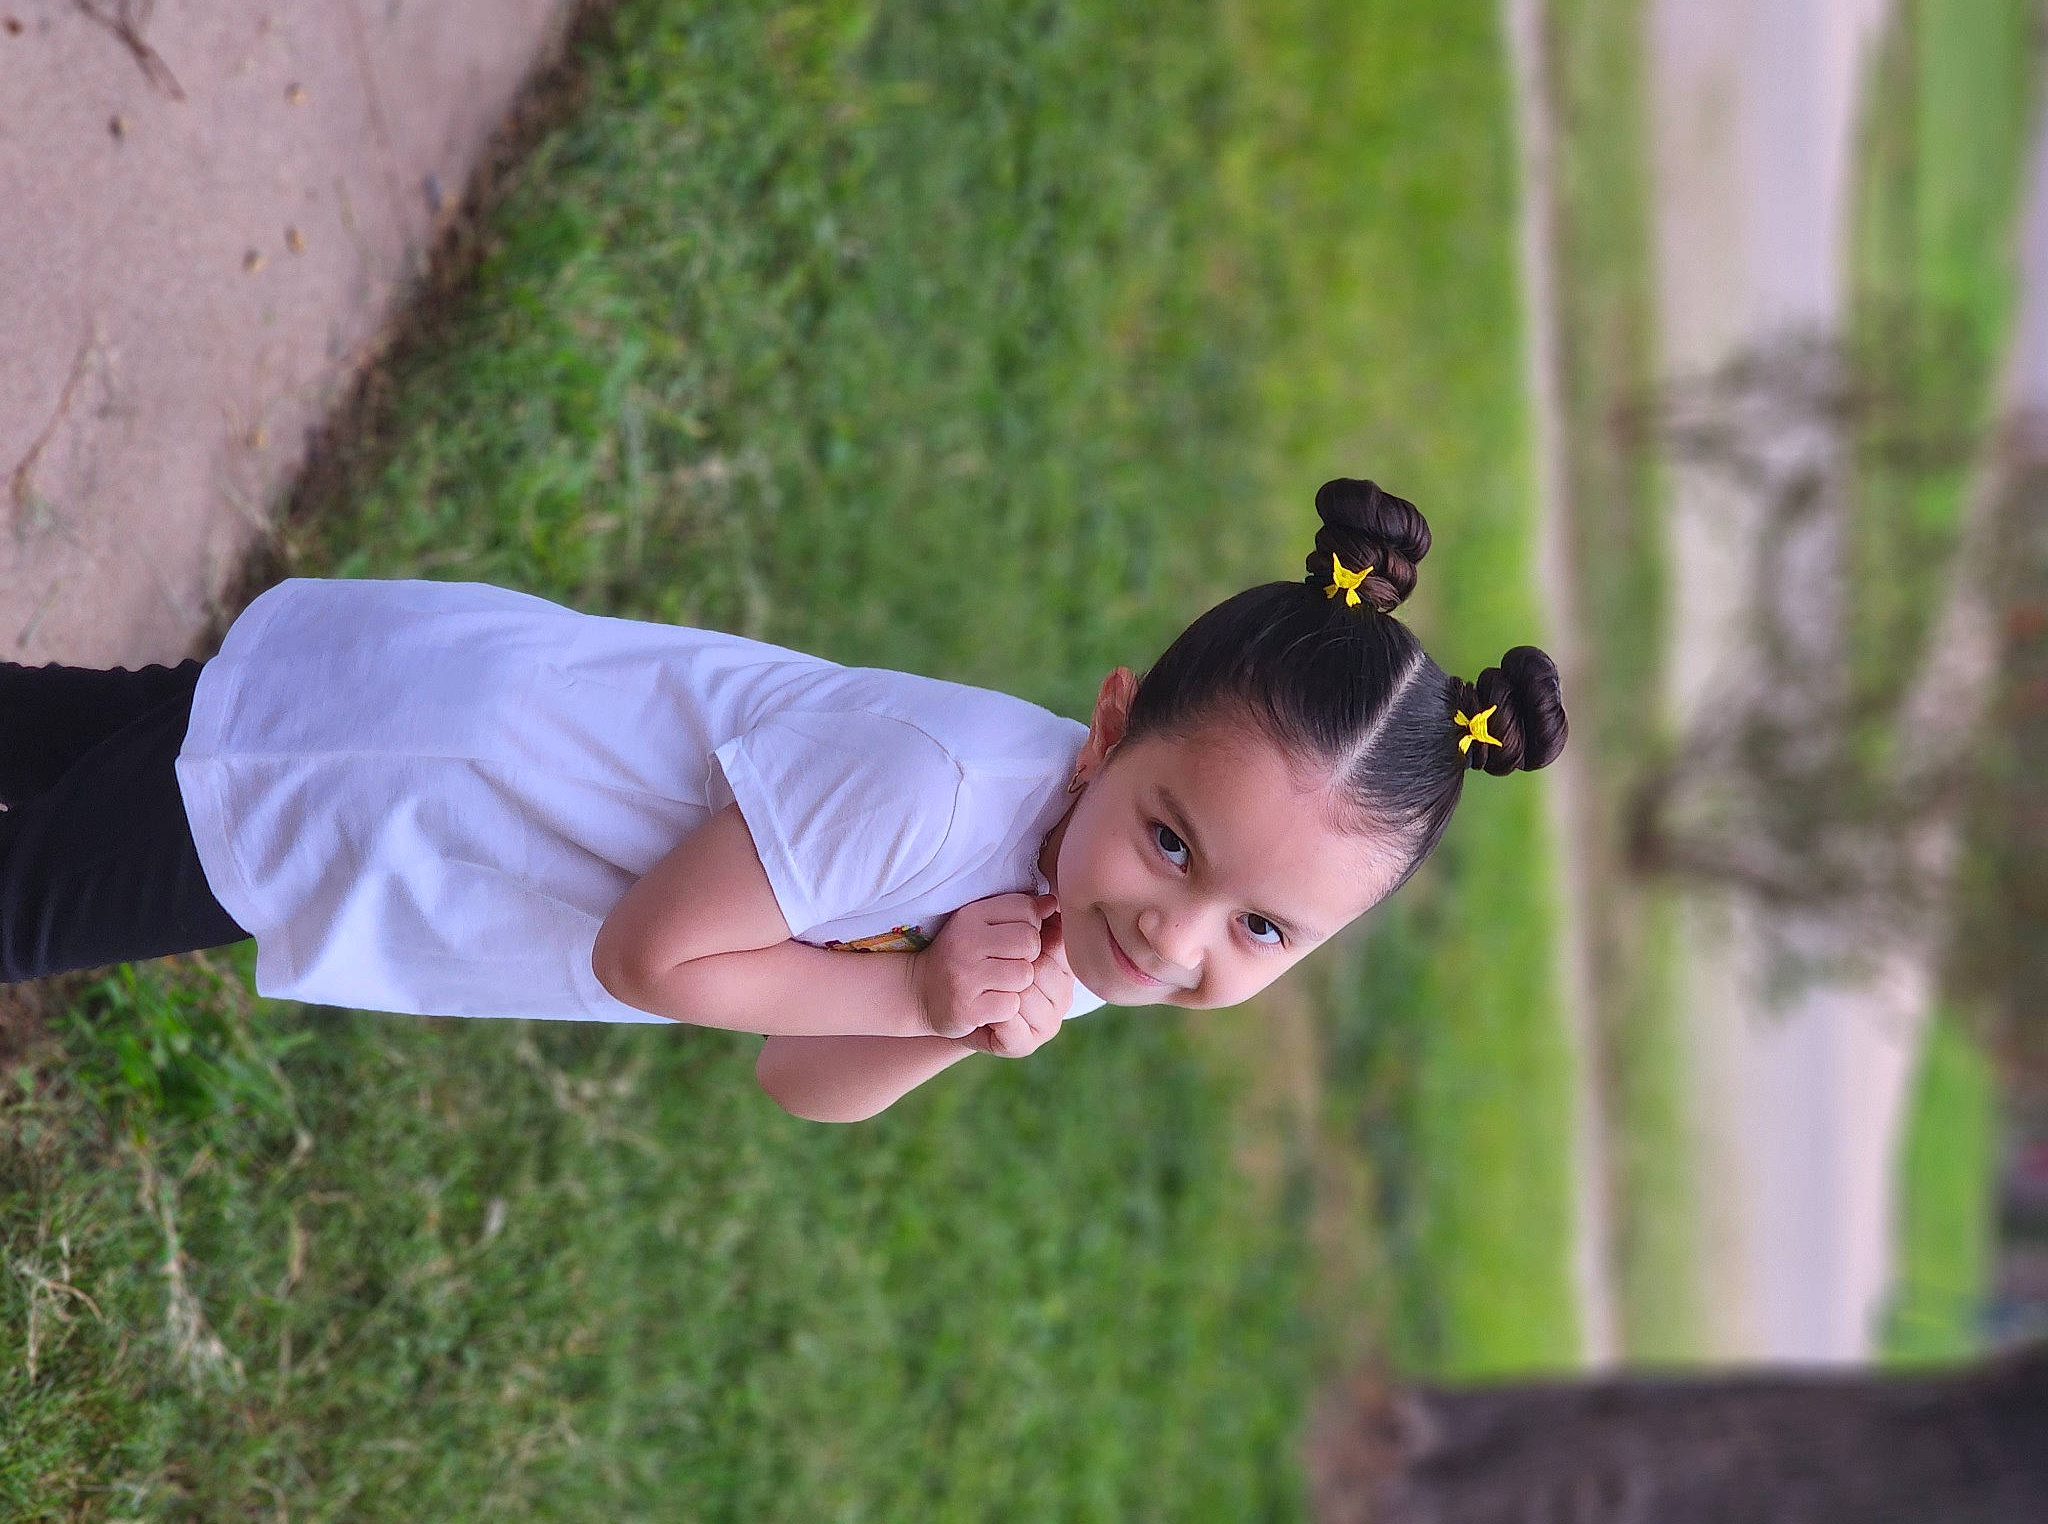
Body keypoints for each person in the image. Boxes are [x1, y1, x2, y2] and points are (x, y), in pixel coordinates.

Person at [0, 477, 1565, 1121]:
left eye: (1266, 927)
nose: (1181, 930)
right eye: (1176, 841)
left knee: (61, 749)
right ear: (1108, 734)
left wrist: (957, 1018)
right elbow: (651, 963)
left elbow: (796, 1080)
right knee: (36, 904)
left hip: (428, 755)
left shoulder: (1093, 914)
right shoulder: (930, 793)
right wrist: (936, 990)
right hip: (402, 778)